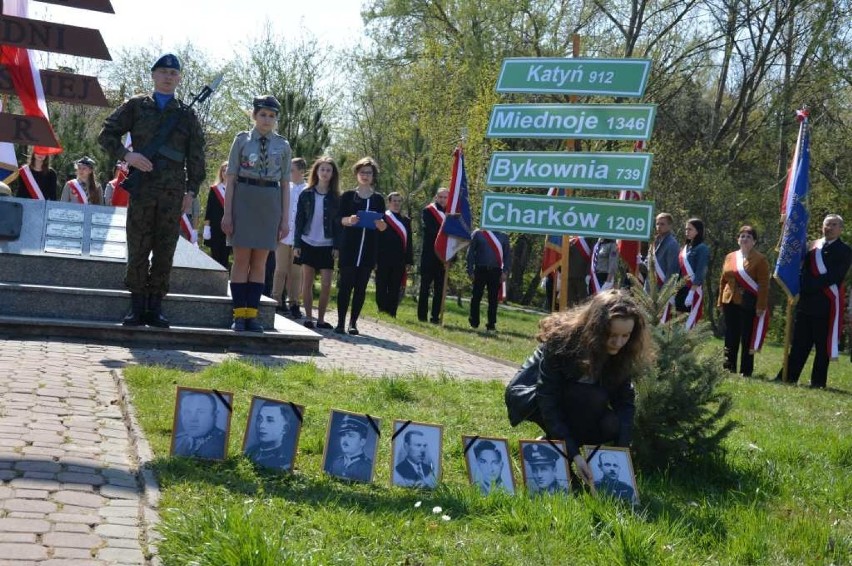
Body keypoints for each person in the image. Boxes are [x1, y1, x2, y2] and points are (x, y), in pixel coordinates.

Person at [98, 53, 206, 328]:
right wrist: (127, 156)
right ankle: (136, 307)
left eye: (173, 73)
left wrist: (191, 192)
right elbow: (106, 134)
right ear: (154, 75)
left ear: (179, 78)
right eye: (163, 72)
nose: (168, 77)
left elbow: (196, 157)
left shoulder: (187, 114)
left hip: (173, 191)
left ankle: (155, 307)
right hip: (143, 188)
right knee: (138, 246)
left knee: (165, 248)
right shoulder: (136, 106)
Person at [504, 289, 653, 486]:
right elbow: (547, 398)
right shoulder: (562, 342)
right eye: (611, 335)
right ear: (596, 328)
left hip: (578, 401)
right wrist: (574, 455)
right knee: (590, 397)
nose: (619, 343)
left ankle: (551, 445)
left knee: (611, 422)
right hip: (533, 398)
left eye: (626, 336)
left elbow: (625, 402)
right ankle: (559, 454)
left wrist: (621, 455)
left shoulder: (622, 352)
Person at [221, 95, 291, 333]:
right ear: (254, 115)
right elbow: (230, 179)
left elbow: (284, 184)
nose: (267, 120)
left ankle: (253, 315)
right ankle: (238, 315)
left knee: (260, 262)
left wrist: (285, 219)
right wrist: (227, 213)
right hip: (244, 198)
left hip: (269, 202)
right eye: (262, 114)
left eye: (272, 116)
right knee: (241, 259)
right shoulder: (241, 140)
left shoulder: (283, 145)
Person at [775, 214, 852, 388]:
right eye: (827, 224)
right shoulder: (812, 246)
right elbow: (801, 269)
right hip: (806, 304)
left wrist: (810, 285)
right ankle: (787, 377)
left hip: (826, 305)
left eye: (834, 225)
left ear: (840, 229)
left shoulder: (845, 250)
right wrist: (803, 285)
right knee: (799, 345)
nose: (829, 228)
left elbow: (835, 276)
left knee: (821, 348)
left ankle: (818, 383)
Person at [335, 157, 387, 335]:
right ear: (357, 174)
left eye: (369, 173)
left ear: (373, 176)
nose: (365, 176)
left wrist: (381, 225)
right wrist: (348, 220)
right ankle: (340, 322)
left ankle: (353, 323)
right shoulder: (348, 196)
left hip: (368, 250)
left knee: (361, 288)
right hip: (349, 248)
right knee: (345, 286)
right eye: (362, 172)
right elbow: (338, 219)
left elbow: (384, 224)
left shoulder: (378, 199)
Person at [293, 156, 341, 330]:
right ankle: (309, 318)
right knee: (307, 282)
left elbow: (338, 225)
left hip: (327, 244)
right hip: (307, 242)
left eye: (329, 170)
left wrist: (337, 246)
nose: (325, 173)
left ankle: (321, 319)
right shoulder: (306, 194)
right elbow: (299, 220)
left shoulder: (336, 197)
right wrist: (297, 244)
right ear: (316, 172)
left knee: (327, 284)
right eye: (322, 169)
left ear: (333, 174)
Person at [717, 225, 770, 377]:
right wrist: (720, 301)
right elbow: (723, 280)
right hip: (730, 301)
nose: (745, 239)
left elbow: (764, 285)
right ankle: (728, 368)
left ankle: (746, 371)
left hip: (748, 303)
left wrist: (761, 306)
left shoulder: (760, 259)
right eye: (742, 236)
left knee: (746, 337)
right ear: (737, 239)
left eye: (749, 237)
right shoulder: (730, 257)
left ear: (754, 241)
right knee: (730, 336)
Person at [271, 157, 308, 318]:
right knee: (280, 270)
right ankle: (276, 301)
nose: (289, 173)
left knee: (296, 273)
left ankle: (294, 303)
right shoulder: (284, 187)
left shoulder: (308, 189)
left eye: (292, 170)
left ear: (301, 171)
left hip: (299, 239)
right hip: (283, 235)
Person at [376, 191, 414, 317]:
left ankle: (392, 312)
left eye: (399, 201)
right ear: (389, 202)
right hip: (383, 257)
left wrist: (409, 261)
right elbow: (377, 239)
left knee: (395, 286)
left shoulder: (406, 220)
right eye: (394, 201)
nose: (397, 203)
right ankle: (382, 309)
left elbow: (409, 242)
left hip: (399, 259)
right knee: (381, 284)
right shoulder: (383, 218)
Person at [467, 228, 511, 332]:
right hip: (480, 269)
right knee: (476, 296)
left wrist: (505, 272)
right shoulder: (478, 233)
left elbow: (507, 256)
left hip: (495, 271)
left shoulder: (504, 236)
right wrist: (469, 270)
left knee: (493, 299)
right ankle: (474, 321)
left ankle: (491, 324)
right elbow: (470, 253)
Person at [418, 187, 449, 323]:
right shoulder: (428, 211)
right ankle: (422, 316)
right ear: (436, 197)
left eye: (445, 197)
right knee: (425, 287)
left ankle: (435, 316)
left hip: (443, 257)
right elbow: (431, 230)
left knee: (440, 289)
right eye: (440, 197)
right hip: (429, 255)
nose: (442, 200)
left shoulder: (451, 214)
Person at [676, 218, 710, 329]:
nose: (687, 232)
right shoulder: (686, 248)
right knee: (678, 319)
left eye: (690, 229)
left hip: (691, 289)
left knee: (688, 321)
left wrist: (692, 292)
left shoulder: (702, 249)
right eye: (686, 229)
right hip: (681, 287)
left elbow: (700, 271)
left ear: (698, 231)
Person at [173, 391, 227, 459]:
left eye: (200, 412)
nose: (192, 419)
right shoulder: (178, 441)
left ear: (215, 415)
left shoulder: (222, 444)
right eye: (187, 412)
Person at [244, 401, 294, 470]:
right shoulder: (250, 451)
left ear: (285, 429)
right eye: (259, 419)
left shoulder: (284, 462)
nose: (261, 425)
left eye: (270, 420)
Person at [202, 161, 232, 269]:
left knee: (225, 257)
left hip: (229, 228)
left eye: (228, 170)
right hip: (215, 228)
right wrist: (206, 227)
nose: (225, 173)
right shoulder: (214, 189)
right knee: (215, 257)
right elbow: (209, 210)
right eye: (223, 170)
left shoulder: (236, 190)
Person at [328, 414, 374, 482]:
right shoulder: (336, 463)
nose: (344, 440)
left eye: (351, 435)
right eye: (343, 435)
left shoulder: (368, 468)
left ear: (362, 442)